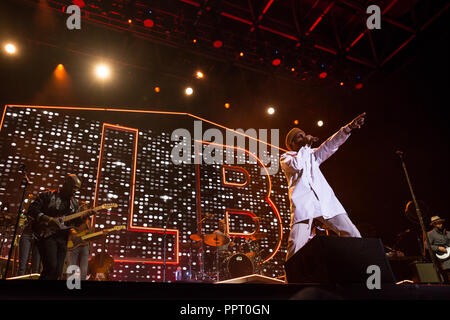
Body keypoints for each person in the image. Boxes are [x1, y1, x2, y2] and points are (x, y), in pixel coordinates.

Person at [281, 113, 366, 260]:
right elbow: (297, 165)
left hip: (325, 202)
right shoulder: (286, 158)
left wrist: (348, 128)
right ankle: (290, 282)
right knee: (296, 245)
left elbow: (330, 145)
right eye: (299, 136)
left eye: (304, 135)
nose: (304, 137)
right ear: (292, 144)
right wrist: (306, 146)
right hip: (304, 206)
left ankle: (360, 274)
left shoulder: (313, 155)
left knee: (353, 235)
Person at [27, 174, 82, 280]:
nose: (75, 191)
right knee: (50, 267)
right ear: (66, 184)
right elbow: (32, 210)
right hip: (46, 235)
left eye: (77, 189)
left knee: (57, 272)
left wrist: (84, 216)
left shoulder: (74, 203)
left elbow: (75, 223)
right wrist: (49, 219)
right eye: (74, 187)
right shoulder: (48, 195)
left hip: (62, 239)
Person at [66, 210, 93, 281]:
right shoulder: (73, 218)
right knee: (71, 271)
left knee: (83, 272)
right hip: (72, 247)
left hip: (85, 246)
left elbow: (90, 234)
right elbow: (67, 229)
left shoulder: (88, 221)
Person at [427, 216, 450, 282]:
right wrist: (438, 248)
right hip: (442, 258)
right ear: (434, 224)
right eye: (438, 223)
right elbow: (426, 245)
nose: (440, 224)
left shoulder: (448, 233)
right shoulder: (430, 234)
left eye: (441, 222)